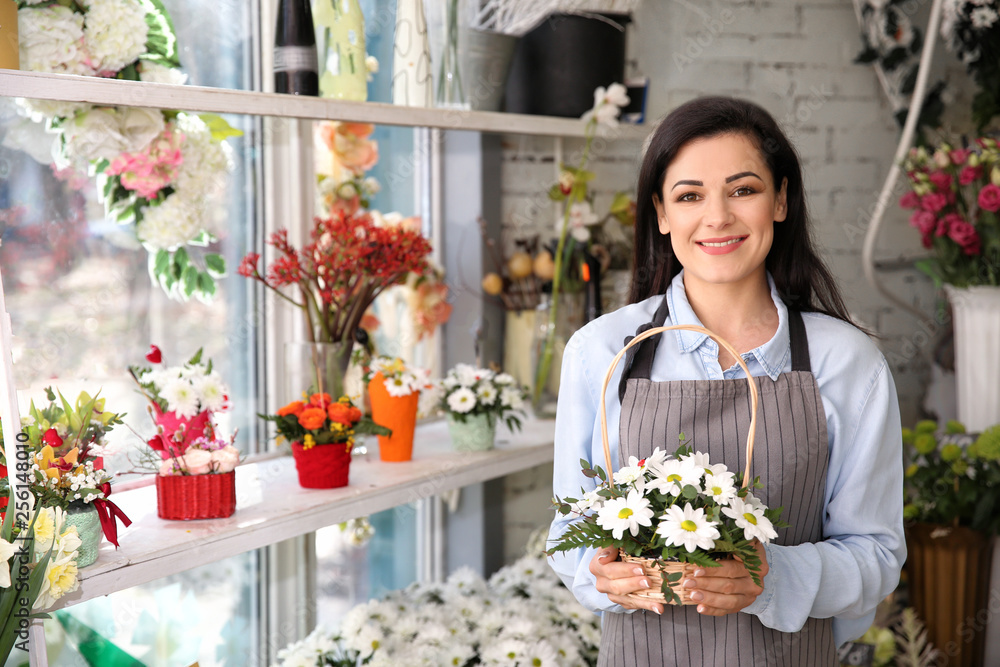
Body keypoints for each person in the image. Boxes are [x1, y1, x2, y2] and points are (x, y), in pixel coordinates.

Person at [547, 96, 905, 666]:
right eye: (689, 196)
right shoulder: (601, 350)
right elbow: (568, 532)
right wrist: (602, 571)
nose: (717, 217)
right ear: (662, 215)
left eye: (743, 190)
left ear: (781, 200)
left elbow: (877, 556)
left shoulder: (849, 362)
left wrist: (773, 575)